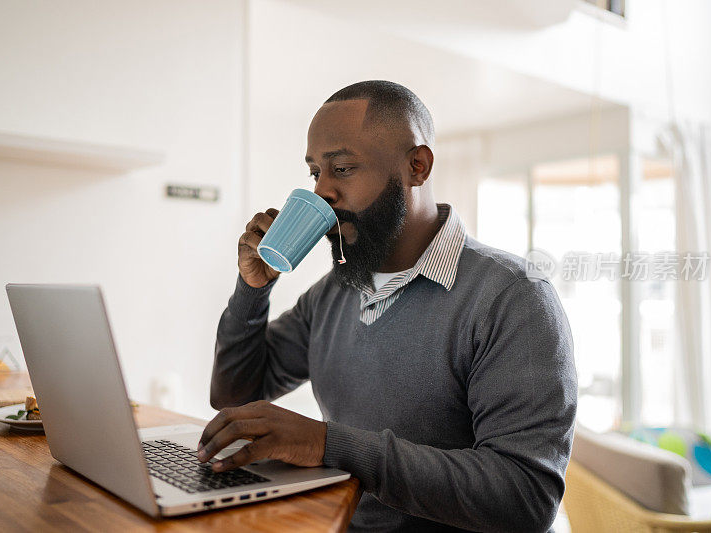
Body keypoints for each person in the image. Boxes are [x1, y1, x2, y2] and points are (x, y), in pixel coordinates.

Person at [199, 80, 577, 532]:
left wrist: (328, 445)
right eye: (314, 172)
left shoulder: (512, 297)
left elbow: (526, 498)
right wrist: (252, 288)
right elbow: (234, 396)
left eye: (342, 168)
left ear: (417, 166)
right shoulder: (334, 292)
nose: (322, 191)